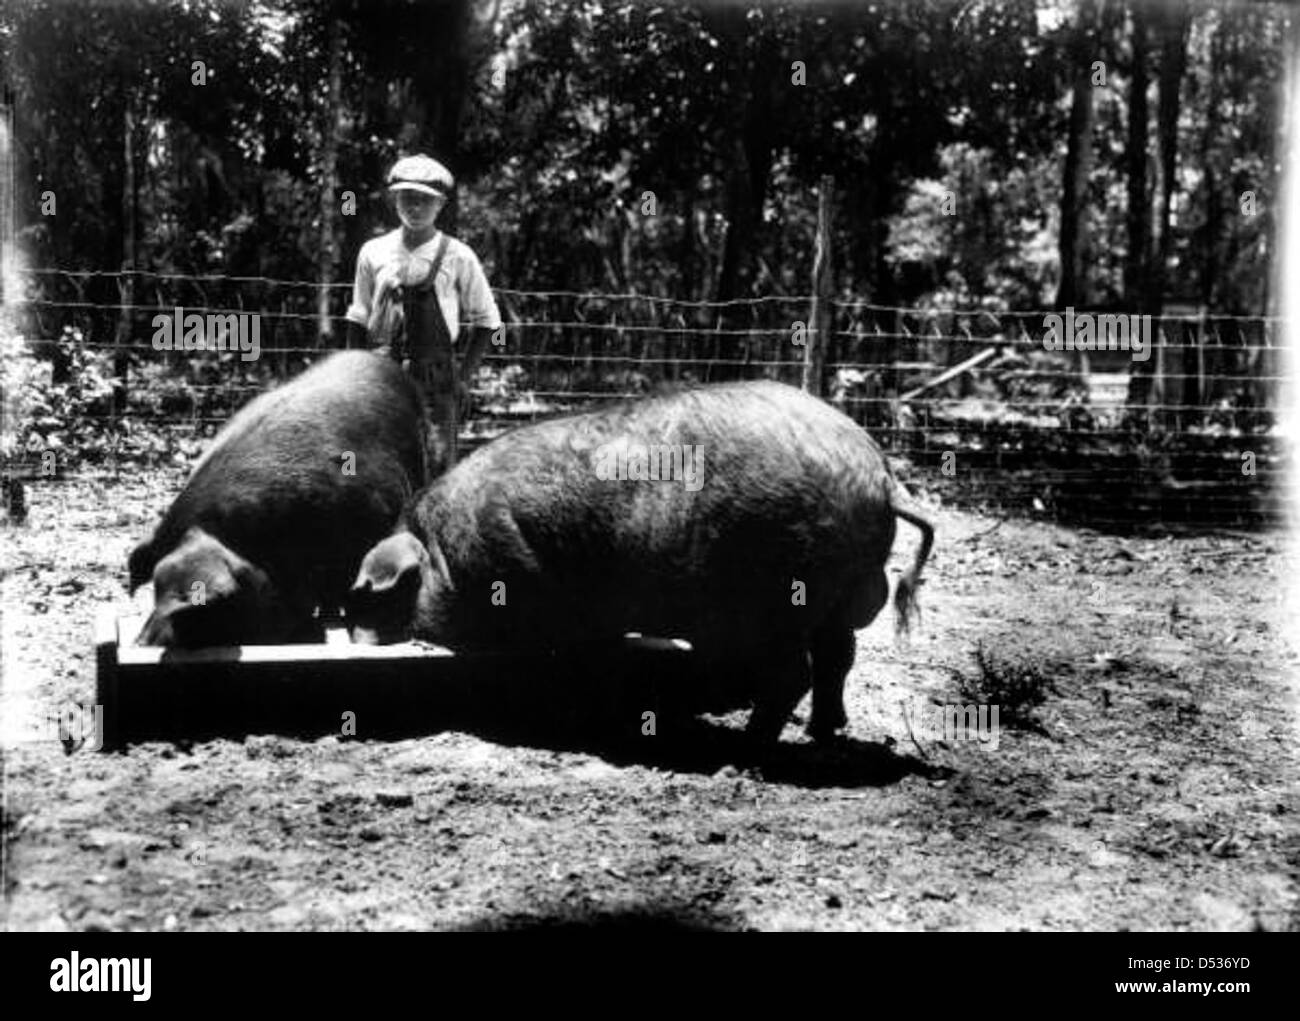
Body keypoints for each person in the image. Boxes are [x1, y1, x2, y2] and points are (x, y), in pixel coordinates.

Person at [345, 153, 501, 475]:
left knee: (437, 467)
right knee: (383, 466)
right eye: (407, 198)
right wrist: (354, 379)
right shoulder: (373, 252)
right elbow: (358, 317)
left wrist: (462, 378)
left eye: (425, 200)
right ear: (395, 200)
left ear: (441, 205)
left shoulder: (458, 256)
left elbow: (487, 321)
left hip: (436, 379)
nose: (415, 208)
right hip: (383, 374)